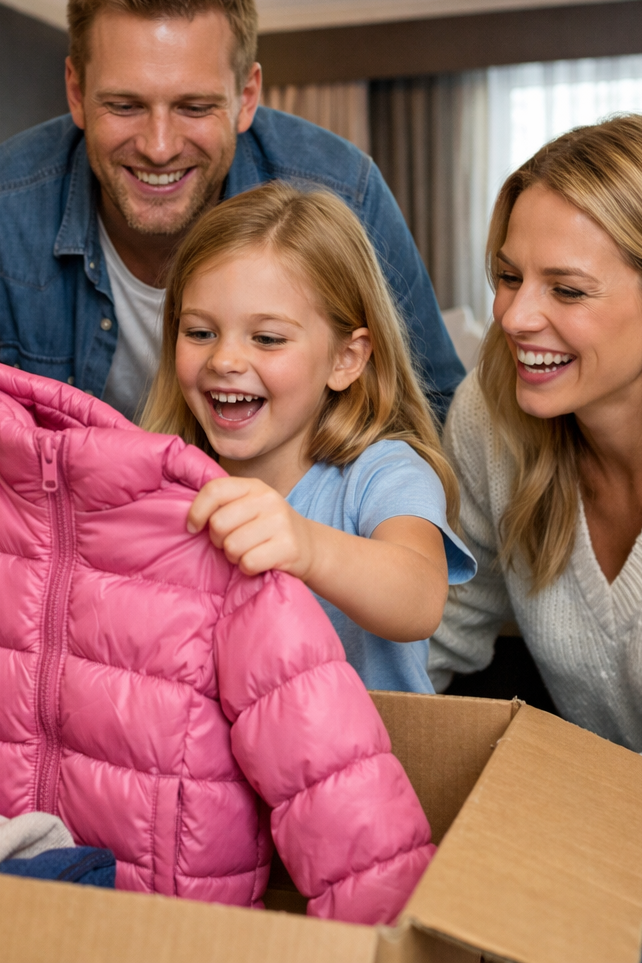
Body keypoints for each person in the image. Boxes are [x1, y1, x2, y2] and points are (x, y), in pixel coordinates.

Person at [0, 0, 464, 482]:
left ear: (246, 97)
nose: (159, 146)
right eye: (124, 105)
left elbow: (429, 417)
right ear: (75, 91)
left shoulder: (344, 192)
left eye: (193, 106)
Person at [426, 115, 642, 961]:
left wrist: (570, 824)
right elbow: (438, 624)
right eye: (508, 276)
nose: (514, 317)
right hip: (612, 821)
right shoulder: (492, 414)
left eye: (565, 291)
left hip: (620, 822)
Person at [140, 182, 475, 690]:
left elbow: (419, 598)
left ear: (346, 359)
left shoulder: (382, 474)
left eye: (267, 338)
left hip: (370, 764)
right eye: (200, 332)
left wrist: (307, 547)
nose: (224, 360)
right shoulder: (165, 479)